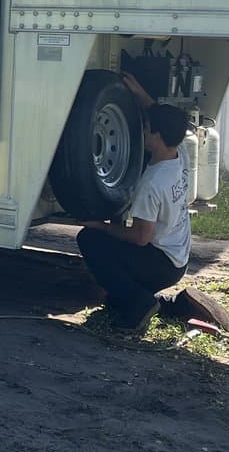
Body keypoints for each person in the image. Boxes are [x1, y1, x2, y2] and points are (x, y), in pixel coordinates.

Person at [75, 85, 193, 333]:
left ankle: (140, 303)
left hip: (160, 265)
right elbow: (162, 119)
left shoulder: (152, 184)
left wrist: (102, 226)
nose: (143, 131)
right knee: (113, 294)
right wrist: (140, 93)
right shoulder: (179, 153)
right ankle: (131, 297)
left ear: (157, 135)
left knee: (89, 239)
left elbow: (141, 238)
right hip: (178, 259)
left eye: (147, 128)